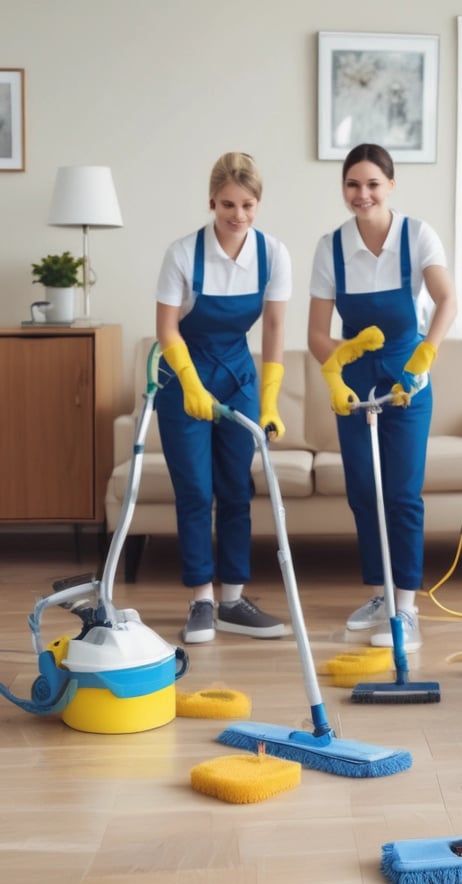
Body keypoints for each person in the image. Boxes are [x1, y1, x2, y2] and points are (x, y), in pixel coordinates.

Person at [308, 143, 457, 652]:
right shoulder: (330, 247)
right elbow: (315, 334)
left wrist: (425, 357)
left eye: (373, 184)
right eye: (353, 184)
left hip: (407, 378)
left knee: (401, 494)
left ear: (390, 185)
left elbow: (447, 300)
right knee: (363, 492)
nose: (362, 194)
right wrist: (338, 365)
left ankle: (407, 608)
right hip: (354, 381)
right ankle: (379, 596)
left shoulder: (417, 236)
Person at [155, 151, 292, 644]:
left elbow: (275, 328)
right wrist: (191, 385)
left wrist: (271, 400)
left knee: (237, 490)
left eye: (248, 205)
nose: (238, 215)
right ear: (212, 201)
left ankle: (232, 600)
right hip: (184, 379)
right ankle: (201, 601)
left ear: (258, 204)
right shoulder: (182, 253)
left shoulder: (273, 254)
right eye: (228, 204)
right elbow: (167, 327)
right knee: (195, 491)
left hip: (239, 378)